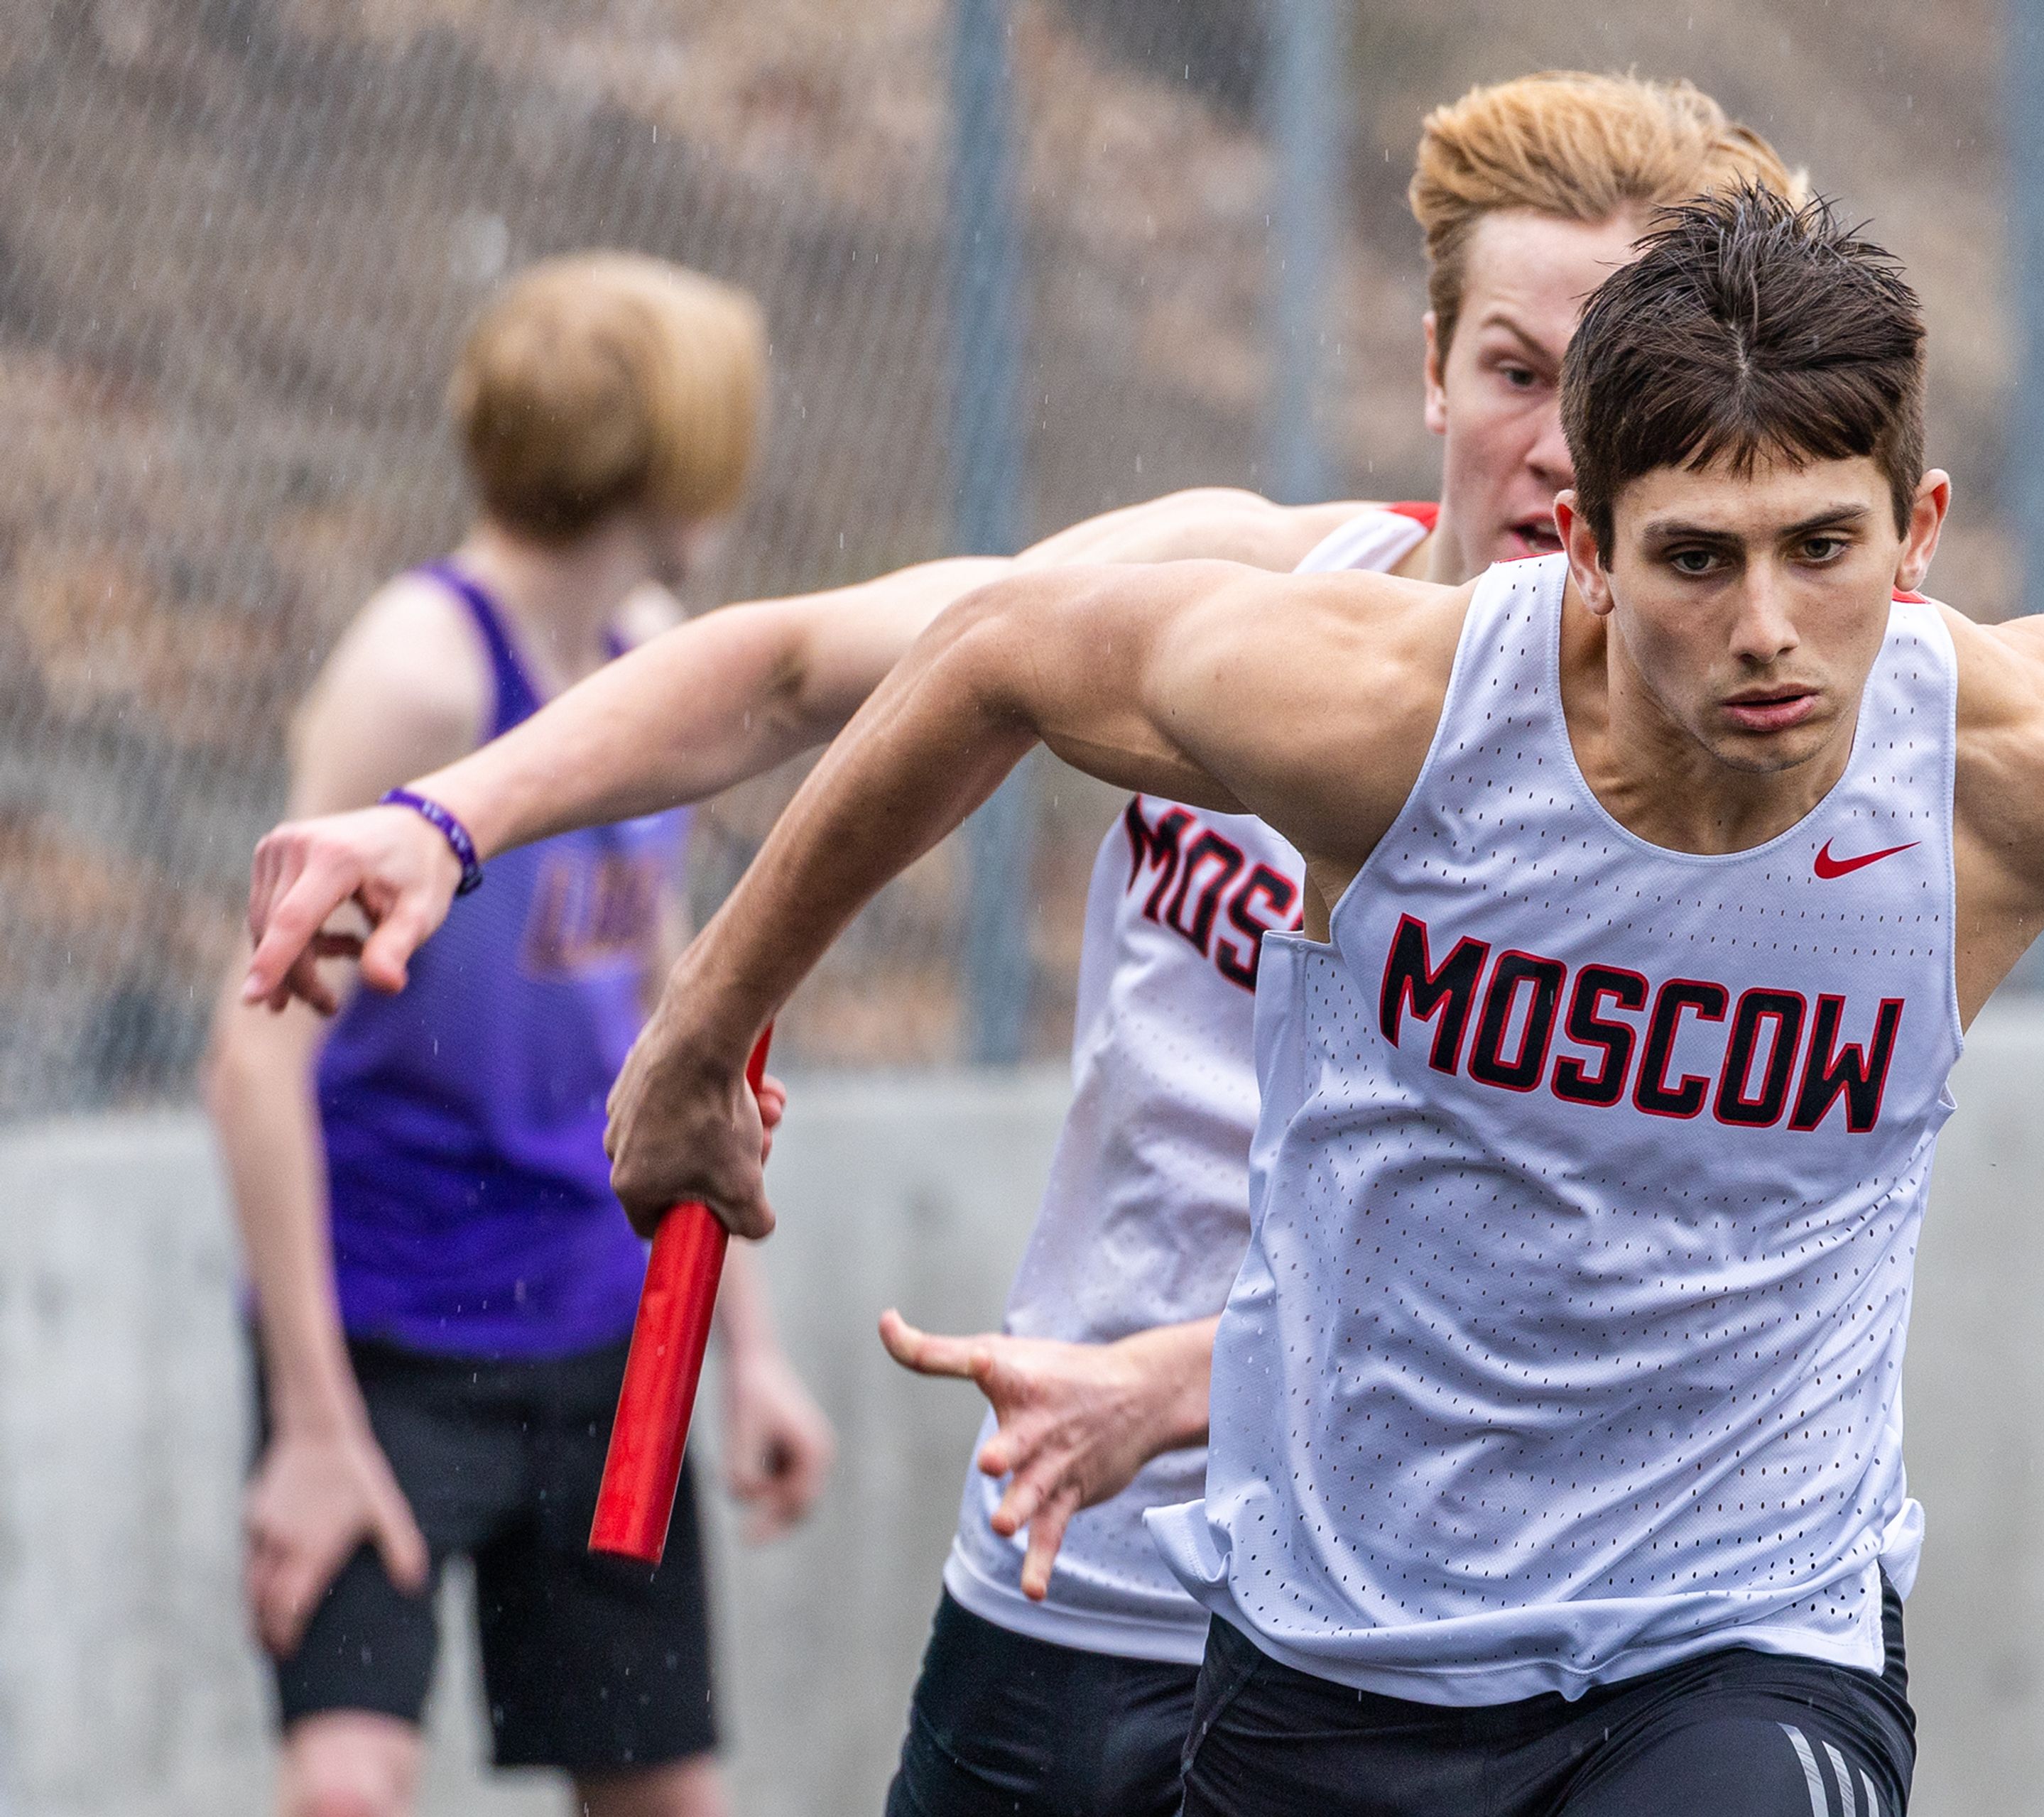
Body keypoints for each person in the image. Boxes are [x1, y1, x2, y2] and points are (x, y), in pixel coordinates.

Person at [599, 187, 2044, 1816]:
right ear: (1584, 542)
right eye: (1693, 560)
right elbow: (997, 656)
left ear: (1918, 536)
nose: (1764, 630)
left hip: (1743, 1632)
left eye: (1824, 549)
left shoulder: (2013, 756)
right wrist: (697, 1039)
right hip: (1350, 1646)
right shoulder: (1401, 717)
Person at [239, 74, 1808, 1817]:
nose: (1558, 445)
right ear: (1432, 364)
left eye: (1614, 391)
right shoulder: (1234, 606)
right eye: (1517, 370)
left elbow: (1584, 1299)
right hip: (1074, 1578)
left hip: (1421, 1654)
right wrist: (443, 821)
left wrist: (1184, 1379)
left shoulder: (1726, 798)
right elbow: (803, 666)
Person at [206, 251, 834, 1817]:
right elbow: (253, 1056)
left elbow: (677, 1012)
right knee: (347, 1781)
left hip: (596, 1317)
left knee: (660, 1786)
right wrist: (307, 1423)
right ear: (665, 456)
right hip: (393, 1330)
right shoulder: (420, 678)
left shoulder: (646, 648)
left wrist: (747, 1352)